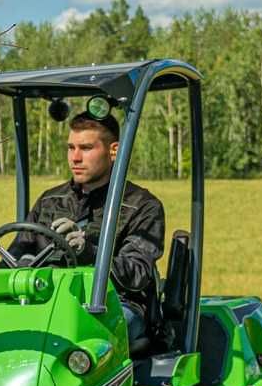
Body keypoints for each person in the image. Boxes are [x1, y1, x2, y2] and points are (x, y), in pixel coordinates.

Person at [9, 109, 165, 344]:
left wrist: (90, 253)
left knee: (78, 331)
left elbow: (137, 274)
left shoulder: (142, 206)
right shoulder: (50, 201)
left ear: (114, 151)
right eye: (71, 148)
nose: (75, 158)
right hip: (49, 299)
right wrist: (21, 264)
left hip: (116, 304)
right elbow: (17, 253)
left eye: (86, 148)